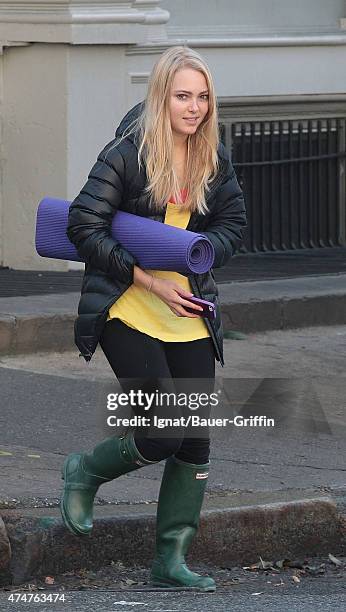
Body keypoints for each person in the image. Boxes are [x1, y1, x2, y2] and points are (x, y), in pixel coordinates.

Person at [60, 45, 247, 592]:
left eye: (203, 96)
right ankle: (85, 470)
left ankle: (170, 562)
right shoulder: (128, 151)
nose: (195, 108)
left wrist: (200, 250)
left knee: (194, 440)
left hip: (187, 309)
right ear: (161, 97)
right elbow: (82, 224)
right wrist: (146, 279)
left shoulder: (213, 154)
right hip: (127, 305)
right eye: (183, 96)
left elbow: (233, 222)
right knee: (165, 429)